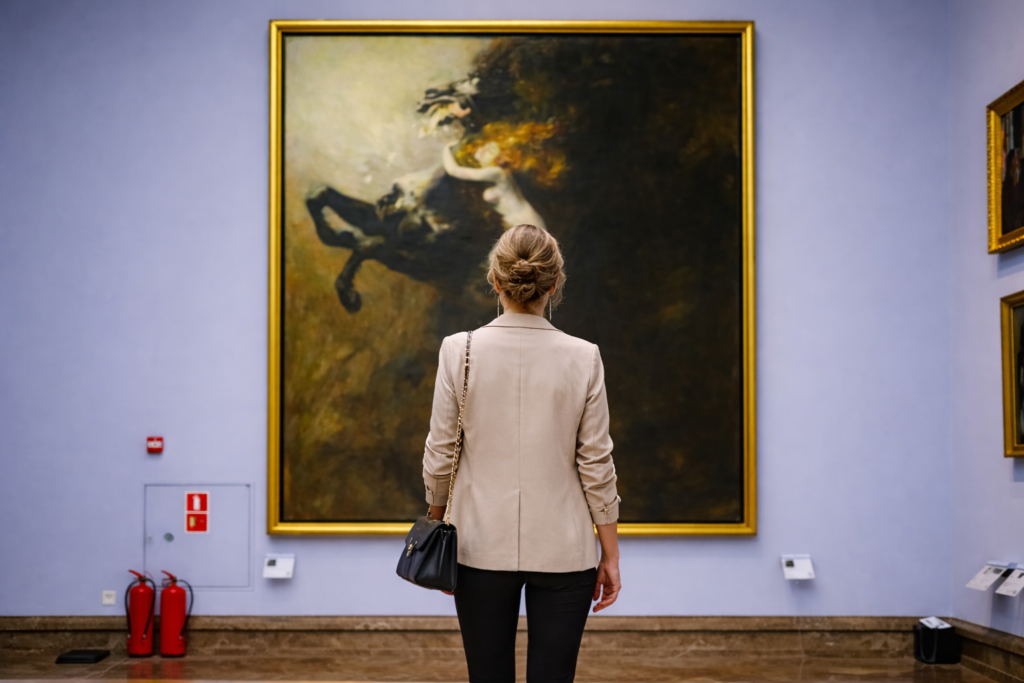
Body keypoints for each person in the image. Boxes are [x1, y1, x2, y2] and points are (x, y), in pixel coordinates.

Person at [422, 224, 621, 683]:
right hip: (565, 551)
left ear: (495, 281)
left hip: (477, 546)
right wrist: (610, 554)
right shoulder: (584, 356)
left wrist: (437, 526)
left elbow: (441, 453)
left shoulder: (458, 350)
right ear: (554, 284)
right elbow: (597, 464)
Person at [442, 141, 547, 230]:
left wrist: (445, 148)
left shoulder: (498, 173)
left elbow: (453, 171)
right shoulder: (500, 176)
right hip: (517, 221)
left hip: (525, 220)